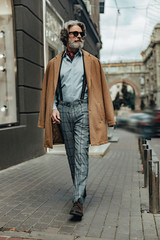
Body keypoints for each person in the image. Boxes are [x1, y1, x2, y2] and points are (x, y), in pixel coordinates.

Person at [38, 20, 115, 218]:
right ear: (66, 37)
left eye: (81, 33)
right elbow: (50, 91)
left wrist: (107, 117)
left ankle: (78, 200)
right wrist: (53, 108)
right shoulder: (55, 63)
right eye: (74, 33)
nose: (79, 36)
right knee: (72, 155)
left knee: (81, 153)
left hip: (83, 111)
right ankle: (80, 187)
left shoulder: (91, 61)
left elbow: (101, 90)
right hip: (63, 112)